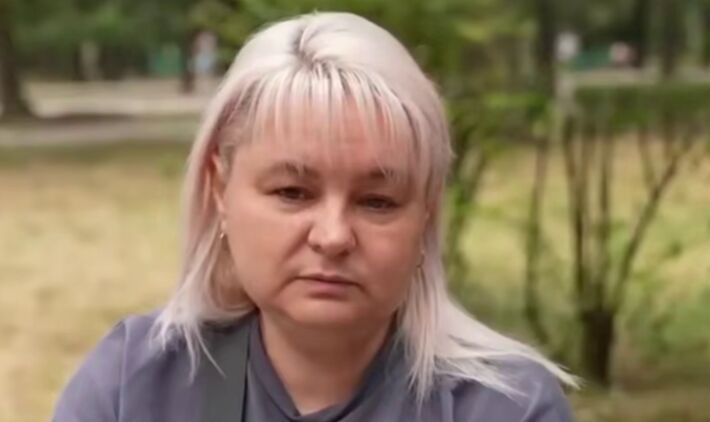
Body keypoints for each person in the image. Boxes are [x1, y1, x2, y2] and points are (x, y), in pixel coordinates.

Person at [52, 12, 577, 422]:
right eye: (292, 192)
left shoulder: (504, 409)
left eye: (377, 201)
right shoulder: (132, 387)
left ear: (426, 213)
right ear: (219, 190)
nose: (333, 236)